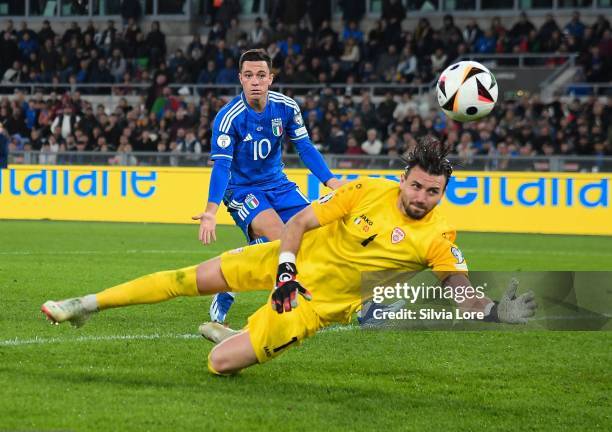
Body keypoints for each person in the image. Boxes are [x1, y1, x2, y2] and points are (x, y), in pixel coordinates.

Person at [41, 139, 537, 375]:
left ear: (443, 192)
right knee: (186, 277)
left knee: (218, 365)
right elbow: (298, 223)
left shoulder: (438, 237)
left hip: (313, 306)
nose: (422, 197)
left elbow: (459, 291)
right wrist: (284, 269)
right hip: (286, 264)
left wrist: (495, 312)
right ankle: (84, 305)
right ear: (403, 177)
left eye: (434, 191)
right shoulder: (367, 190)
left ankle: (239, 337)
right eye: (416, 185)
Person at [191, 48, 342, 323]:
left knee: (324, 237)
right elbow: (222, 166)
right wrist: (211, 210)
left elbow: (305, 148)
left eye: (261, 75)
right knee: (283, 237)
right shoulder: (228, 118)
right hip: (243, 190)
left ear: (271, 78)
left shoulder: (286, 107)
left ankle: (231, 281)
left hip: (280, 186)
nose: (255, 81)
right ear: (240, 79)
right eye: (249, 75)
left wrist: (333, 183)